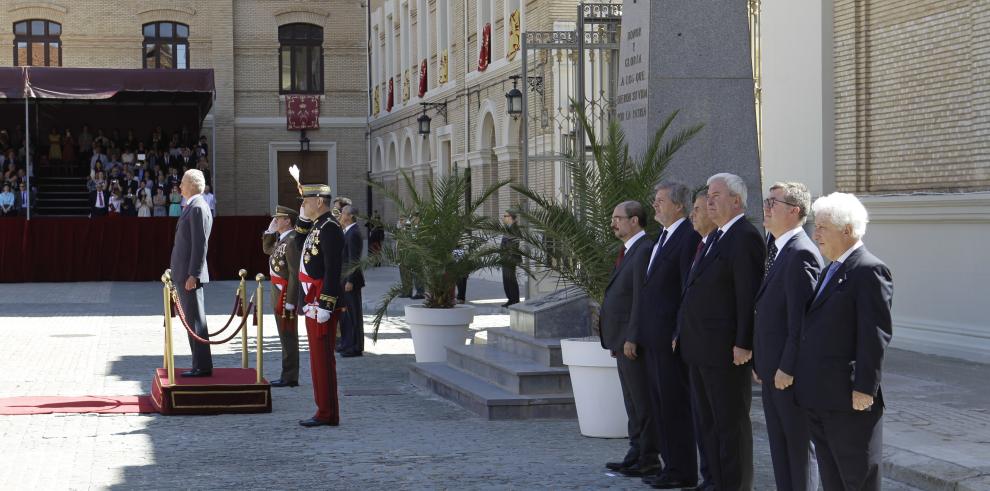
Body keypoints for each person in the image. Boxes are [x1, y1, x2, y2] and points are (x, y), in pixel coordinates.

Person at [794, 192, 893, 491]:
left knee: (857, 478)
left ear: (847, 230)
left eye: (823, 227)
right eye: (816, 226)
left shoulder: (868, 270)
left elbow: (874, 335)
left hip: (850, 399)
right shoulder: (832, 268)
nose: (815, 233)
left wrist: (865, 388)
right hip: (822, 395)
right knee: (832, 478)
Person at [677, 173, 764, 491]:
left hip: (726, 350)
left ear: (736, 201)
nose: (709, 201)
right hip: (701, 347)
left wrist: (744, 342)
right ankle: (714, 480)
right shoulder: (715, 237)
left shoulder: (744, 237)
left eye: (715, 195)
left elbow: (747, 295)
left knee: (730, 424)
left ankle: (736, 485)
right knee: (708, 421)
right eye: (708, 196)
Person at [628, 181, 701, 489]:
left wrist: (677, 331)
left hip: (669, 340)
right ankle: (670, 466)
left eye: (660, 201)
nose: (654, 206)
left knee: (675, 407)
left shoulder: (687, 237)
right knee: (660, 406)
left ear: (679, 206)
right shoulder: (662, 237)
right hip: (652, 338)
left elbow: (687, 288)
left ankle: (682, 470)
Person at [753, 182, 823, 491]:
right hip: (772, 370)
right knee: (780, 451)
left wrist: (788, 367)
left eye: (773, 202)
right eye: (766, 201)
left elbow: (802, 322)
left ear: (794, 211)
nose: (766, 207)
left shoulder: (801, 254)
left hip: (788, 374)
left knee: (798, 450)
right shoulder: (778, 248)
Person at [601, 200, 659, 478]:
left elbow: (640, 298)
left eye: (618, 218)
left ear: (634, 221)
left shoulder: (644, 249)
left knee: (642, 402)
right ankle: (635, 453)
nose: (613, 223)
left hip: (632, 342)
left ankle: (648, 458)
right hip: (620, 341)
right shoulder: (628, 250)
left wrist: (631, 337)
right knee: (632, 403)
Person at [295, 183, 345, 427]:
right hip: (312, 299)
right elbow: (298, 246)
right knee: (316, 359)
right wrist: (302, 221)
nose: (302, 204)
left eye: (306, 200)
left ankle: (327, 413)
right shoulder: (317, 225)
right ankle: (322, 408)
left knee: (323, 359)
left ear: (320, 201)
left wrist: (326, 304)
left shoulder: (330, 228)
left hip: (321, 301)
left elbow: (333, 269)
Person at [170, 169, 214, 377]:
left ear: (194, 184)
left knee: (196, 321)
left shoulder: (197, 207)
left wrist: (193, 274)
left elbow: (200, 244)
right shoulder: (192, 206)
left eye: (183, 182)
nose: (180, 186)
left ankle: (202, 366)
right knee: (192, 320)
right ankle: (198, 364)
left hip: (190, 275)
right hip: (185, 273)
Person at [262, 205, 302, 388]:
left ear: (288, 220)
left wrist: (291, 302)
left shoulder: (292, 241)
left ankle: (290, 376)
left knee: (288, 336)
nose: (275, 221)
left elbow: (294, 273)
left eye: (278, 219)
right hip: (278, 292)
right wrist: (269, 232)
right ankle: (287, 374)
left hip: (286, 294)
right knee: (284, 335)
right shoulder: (282, 239)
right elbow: (267, 249)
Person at [337, 204, 366, 357]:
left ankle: (355, 347)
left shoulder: (353, 233)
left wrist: (350, 280)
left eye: (342, 213)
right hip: (344, 279)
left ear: (350, 216)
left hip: (351, 281)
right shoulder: (347, 232)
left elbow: (354, 260)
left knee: (353, 314)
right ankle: (347, 343)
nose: (340, 216)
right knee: (345, 314)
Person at [500, 210, 522, 307]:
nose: (503, 218)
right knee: (506, 279)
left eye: (505, 216)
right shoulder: (508, 228)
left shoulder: (515, 229)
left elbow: (514, 244)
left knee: (510, 279)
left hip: (510, 258)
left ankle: (515, 300)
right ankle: (510, 299)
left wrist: (506, 253)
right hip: (505, 258)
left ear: (510, 217)